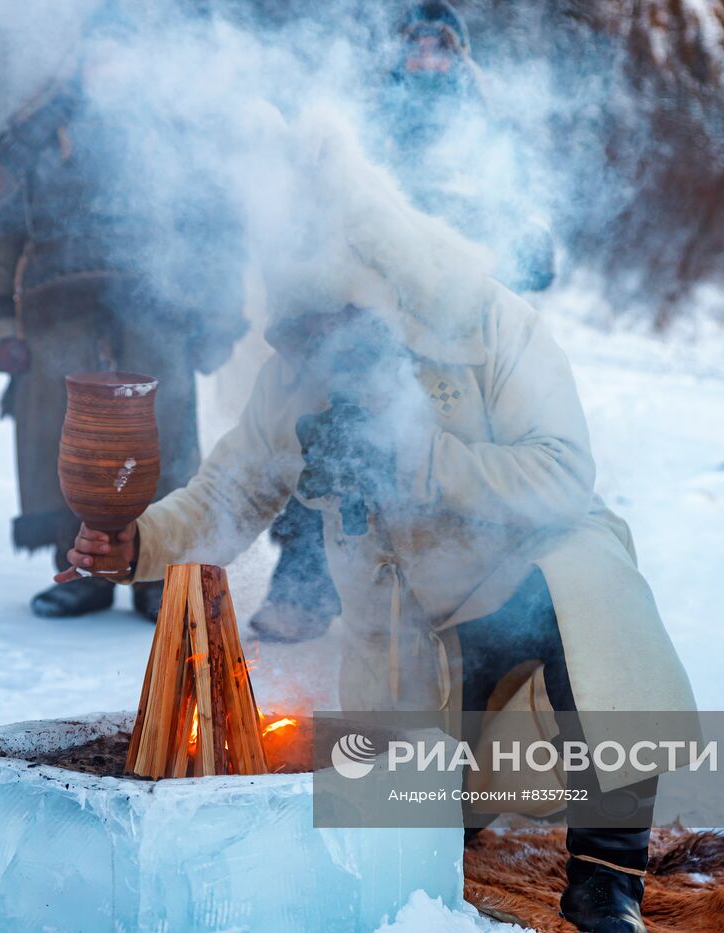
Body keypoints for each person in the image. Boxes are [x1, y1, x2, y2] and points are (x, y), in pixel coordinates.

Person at [69, 112, 695, 932]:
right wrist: (132, 543)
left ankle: (606, 875)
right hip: (411, 638)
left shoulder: (490, 325)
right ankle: (457, 810)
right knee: (411, 828)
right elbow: (222, 501)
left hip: (527, 579)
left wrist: (422, 463)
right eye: (310, 331)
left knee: (591, 579)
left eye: (344, 326)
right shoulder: (292, 385)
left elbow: (562, 473)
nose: (327, 350)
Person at [250, 0, 556, 644]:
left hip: (460, 324)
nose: (425, 58)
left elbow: (530, 228)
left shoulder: (488, 137)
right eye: (414, 45)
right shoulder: (368, 128)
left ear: (458, 55)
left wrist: (524, 248)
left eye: (439, 46)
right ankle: (304, 590)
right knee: (337, 434)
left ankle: (470, 599)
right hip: (374, 321)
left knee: (463, 454)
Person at [0, 7, 246, 622]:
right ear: (83, 62)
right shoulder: (38, 132)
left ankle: (156, 577)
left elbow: (216, 234)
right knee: (71, 443)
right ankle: (84, 570)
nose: (110, 68)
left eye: (122, 55)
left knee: (159, 440)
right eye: (100, 55)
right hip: (58, 308)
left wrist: (218, 316)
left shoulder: (177, 133)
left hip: (158, 306)